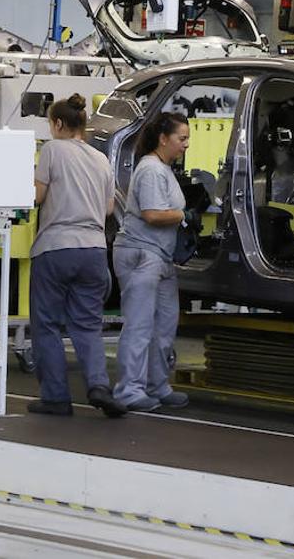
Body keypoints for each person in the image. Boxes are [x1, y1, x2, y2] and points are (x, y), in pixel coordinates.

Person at [26, 95, 125, 418]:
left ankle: (56, 397)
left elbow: (38, 196)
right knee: (87, 325)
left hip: (56, 247)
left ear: (57, 123)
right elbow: (108, 208)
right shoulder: (101, 159)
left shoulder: (52, 150)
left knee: (47, 325)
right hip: (94, 250)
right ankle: (99, 386)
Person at [113, 111, 192, 412]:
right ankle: (129, 390)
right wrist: (184, 215)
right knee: (140, 325)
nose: (186, 144)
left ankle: (157, 385)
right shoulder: (151, 170)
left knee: (164, 326)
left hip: (161, 256)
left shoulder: (164, 169)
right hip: (141, 254)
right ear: (163, 139)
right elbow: (153, 214)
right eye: (182, 138)